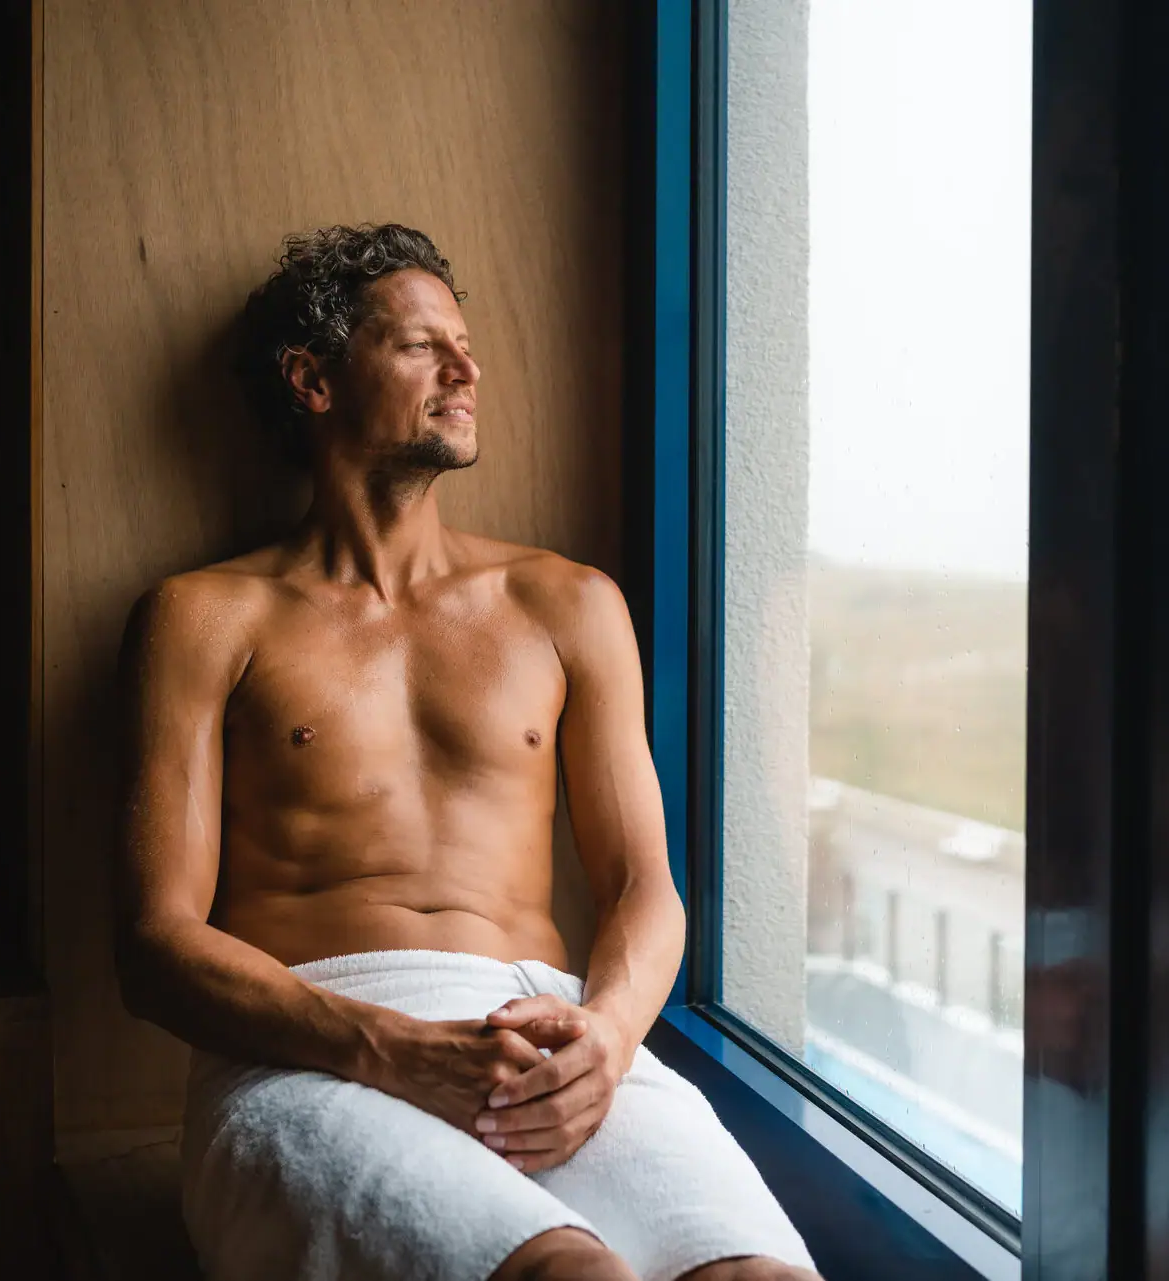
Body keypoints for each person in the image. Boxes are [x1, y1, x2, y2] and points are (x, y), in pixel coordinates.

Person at [116, 223, 820, 1281]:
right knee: (570, 1276)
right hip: (305, 1054)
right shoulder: (207, 617)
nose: (467, 368)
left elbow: (642, 885)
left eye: (467, 343)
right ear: (312, 380)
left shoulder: (566, 603)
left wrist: (610, 1035)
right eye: (419, 346)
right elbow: (154, 945)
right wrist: (392, 1050)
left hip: (542, 1028)